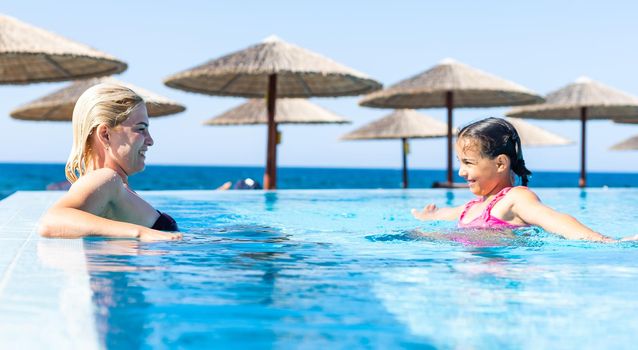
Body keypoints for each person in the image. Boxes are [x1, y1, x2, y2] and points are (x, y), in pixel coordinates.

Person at [411, 117, 636, 243]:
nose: (460, 172)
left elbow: (554, 219)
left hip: (502, 281)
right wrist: (429, 216)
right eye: (460, 162)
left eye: (468, 163)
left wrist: (606, 241)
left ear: (500, 163)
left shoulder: (515, 199)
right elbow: (447, 213)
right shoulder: (472, 207)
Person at [38, 83, 182, 241]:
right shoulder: (105, 179)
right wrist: (140, 232)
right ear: (106, 135)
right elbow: (52, 221)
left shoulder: (113, 184)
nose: (150, 140)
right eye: (141, 129)